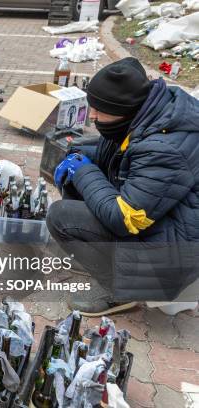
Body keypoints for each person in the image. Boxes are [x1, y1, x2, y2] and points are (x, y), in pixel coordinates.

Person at [46, 57, 199, 316]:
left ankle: (124, 291)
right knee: (80, 171)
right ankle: (109, 263)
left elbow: (124, 218)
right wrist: (77, 153)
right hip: (170, 224)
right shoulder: (148, 113)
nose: (92, 116)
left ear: (124, 110)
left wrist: (84, 171)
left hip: (175, 255)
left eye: (98, 110)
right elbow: (121, 150)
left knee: (62, 216)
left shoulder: (165, 149)